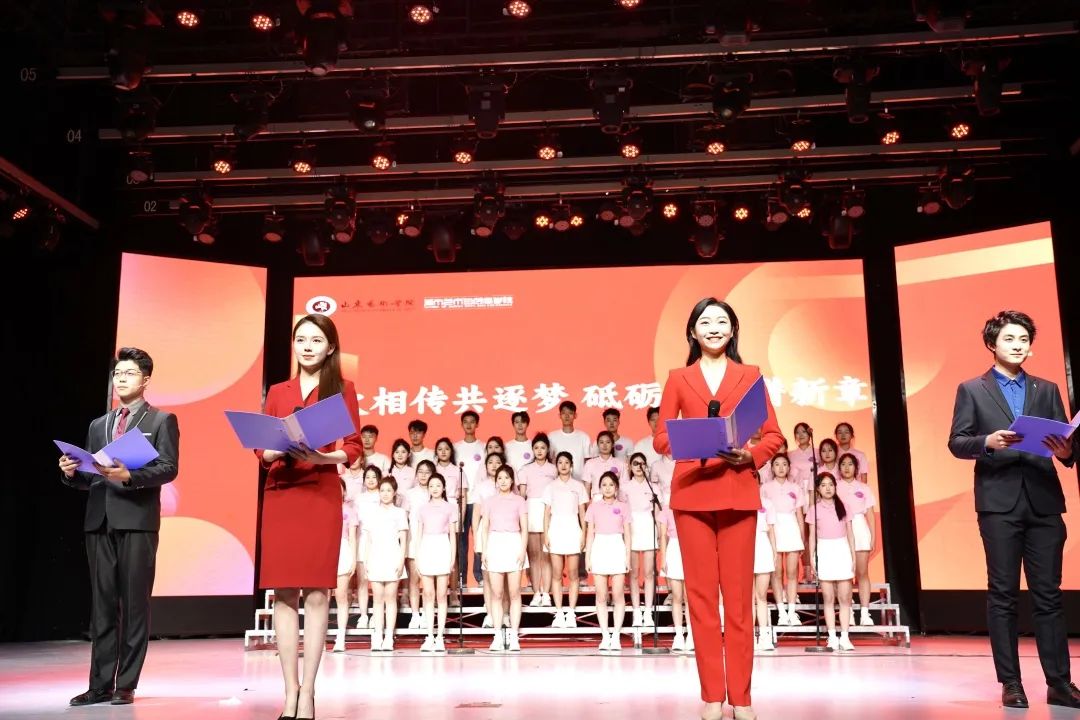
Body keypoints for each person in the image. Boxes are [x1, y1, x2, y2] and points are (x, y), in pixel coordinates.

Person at [654, 298, 784, 720]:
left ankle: (741, 698)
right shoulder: (678, 378)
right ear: (692, 331)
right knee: (701, 600)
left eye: (722, 321)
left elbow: (773, 435)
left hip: (737, 490)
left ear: (733, 330)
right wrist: (693, 440)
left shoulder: (750, 375)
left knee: (739, 600)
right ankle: (712, 695)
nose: (714, 328)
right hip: (692, 494)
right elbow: (661, 438)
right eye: (706, 322)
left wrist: (751, 456)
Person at [948, 310, 1080, 710]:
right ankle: (1011, 683)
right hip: (998, 504)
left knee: (1049, 595)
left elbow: (1066, 448)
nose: (1018, 345)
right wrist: (987, 441)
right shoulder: (972, 389)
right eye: (1009, 338)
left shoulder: (1047, 388)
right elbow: (957, 442)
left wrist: (1067, 450)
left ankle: (1060, 683)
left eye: (1023, 339)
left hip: (1043, 502)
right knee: (1003, 594)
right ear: (992, 344)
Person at [254, 315, 364, 720]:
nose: (307, 346)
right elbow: (261, 450)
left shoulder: (342, 389)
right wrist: (271, 450)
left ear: (330, 347)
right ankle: (290, 693)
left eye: (316, 340)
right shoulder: (278, 391)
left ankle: (309, 693)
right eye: (301, 339)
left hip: (319, 492)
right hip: (282, 492)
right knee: (283, 593)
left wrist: (323, 457)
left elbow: (354, 447)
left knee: (317, 593)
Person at [60, 347, 180, 708]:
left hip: (137, 521)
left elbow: (169, 468)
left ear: (146, 380)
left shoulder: (161, 420)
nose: (121, 379)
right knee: (103, 606)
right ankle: (99, 685)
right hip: (99, 520)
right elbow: (92, 477)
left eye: (129, 373)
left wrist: (130, 475)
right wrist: (72, 473)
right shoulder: (99, 424)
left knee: (134, 605)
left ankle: (126, 684)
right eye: (118, 373)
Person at [481, 466, 529, 651]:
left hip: (514, 543)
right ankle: (497, 636)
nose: (503, 481)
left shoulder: (519, 501)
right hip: (495, 544)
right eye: (500, 478)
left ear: (512, 481)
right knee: (497, 594)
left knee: (515, 593)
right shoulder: (489, 501)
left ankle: (514, 637)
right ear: (496, 481)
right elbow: (485, 527)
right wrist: (485, 550)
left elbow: (524, 528)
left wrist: (522, 550)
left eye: (506, 478)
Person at [806, 472, 856, 652]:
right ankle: (832, 637)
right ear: (818, 489)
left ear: (835, 487)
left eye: (831, 485)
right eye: (823, 485)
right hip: (824, 550)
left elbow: (850, 534)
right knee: (828, 597)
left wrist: (853, 556)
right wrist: (812, 559)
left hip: (841, 549)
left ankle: (845, 637)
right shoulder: (814, 509)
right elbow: (812, 537)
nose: (828, 488)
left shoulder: (844, 506)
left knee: (844, 597)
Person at [585, 471, 632, 652]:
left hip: (617, 547)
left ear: (616, 487)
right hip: (600, 547)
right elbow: (590, 534)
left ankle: (616, 636)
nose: (607, 488)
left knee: (618, 594)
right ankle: (605, 635)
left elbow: (628, 535)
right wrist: (588, 557)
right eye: (604, 485)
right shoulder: (593, 507)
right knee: (601, 595)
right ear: (599, 488)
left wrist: (627, 557)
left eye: (611, 485)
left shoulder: (624, 507)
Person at [542, 451, 588, 628]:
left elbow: (583, 513)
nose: (563, 465)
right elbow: (546, 514)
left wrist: (583, 534)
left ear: (571, 465)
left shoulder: (579, 486)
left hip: (573, 530)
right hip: (555, 530)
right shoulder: (550, 487)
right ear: (556, 465)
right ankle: (559, 612)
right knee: (556, 573)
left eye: (566, 462)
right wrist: (546, 534)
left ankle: (571, 612)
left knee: (574, 573)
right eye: (560, 462)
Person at [759, 454, 805, 626]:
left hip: (791, 529)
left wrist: (802, 537)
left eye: (784, 464)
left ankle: (792, 612)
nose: (780, 468)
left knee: (792, 573)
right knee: (776, 573)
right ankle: (781, 613)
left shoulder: (796, 488)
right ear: (772, 468)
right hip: (773, 529)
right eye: (777, 464)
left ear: (789, 467)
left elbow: (799, 515)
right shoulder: (765, 488)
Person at [364, 477, 408, 652]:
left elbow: (403, 541)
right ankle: (377, 635)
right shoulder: (372, 512)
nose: (385, 494)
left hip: (393, 556)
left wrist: (401, 561)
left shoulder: (400, 513)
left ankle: (389, 636)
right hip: (375, 556)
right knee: (377, 598)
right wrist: (366, 560)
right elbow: (368, 540)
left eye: (389, 490)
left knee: (390, 597)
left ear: (394, 492)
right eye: (382, 490)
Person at [417, 473, 457, 652]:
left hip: (442, 546)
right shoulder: (422, 508)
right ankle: (429, 635)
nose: (434, 488)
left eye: (438, 485)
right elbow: (419, 534)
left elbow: (453, 536)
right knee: (428, 594)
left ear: (444, 488)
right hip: (426, 546)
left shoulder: (450, 507)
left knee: (441, 595)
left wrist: (452, 558)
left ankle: (440, 636)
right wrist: (417, 556)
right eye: (431, 485)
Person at [835, 453, 876, 626]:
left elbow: (870, 515)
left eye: (850, 464)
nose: (846, 467)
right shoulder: (834, 486)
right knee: (844, 574)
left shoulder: (864, 488)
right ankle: (848, 611)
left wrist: (873, 536)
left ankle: (865, 613)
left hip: (860, 528)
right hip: (840, 528)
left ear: (856, 468)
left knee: (862, 572)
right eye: (843, 464)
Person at [518, 433, 556, 607]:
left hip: (549, 510)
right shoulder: (525, 469)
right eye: (536, 448)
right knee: (534, 555)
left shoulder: (554, 469)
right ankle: (536, 593)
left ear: (548, 449)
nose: (539, 451)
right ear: (532, 450)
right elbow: (522, 495)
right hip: (532, 509)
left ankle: (546, 593)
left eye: (543, 447)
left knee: (547, 555)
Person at [624, 452, 661, 627]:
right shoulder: (625, 487)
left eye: (642, 463)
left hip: (647, 525)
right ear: (630, 467)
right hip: (631, 527)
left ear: (646, 466)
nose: (639, 467)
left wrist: (659, 533)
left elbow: (658, 512)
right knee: (633, 573)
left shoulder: (653, 487)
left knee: (649, 572)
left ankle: (648, 611)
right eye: (635, 463)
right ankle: (636, 611)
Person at [658, 505, 690, 652]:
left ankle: (691, 635)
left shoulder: (691, 508)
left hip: (689, 549)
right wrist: (663, 558)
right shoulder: (666, 510)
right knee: (677, 596)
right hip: (674, 549)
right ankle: (678, 635)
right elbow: (663, 536)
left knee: (689, 597)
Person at [332, 480, 359, 652]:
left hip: (343, 551)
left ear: (344, 492)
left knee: (341, 596)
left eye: (340, 488)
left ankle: (340, 637)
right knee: (321, 598)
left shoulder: (349, 511)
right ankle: (318, 637)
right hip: (325, 551)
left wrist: (353, 560)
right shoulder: (324, 507)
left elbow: (353, 538)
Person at [752, 498, 777, 652]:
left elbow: (771, 530)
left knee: (761, 596)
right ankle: (749, 637)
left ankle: (764, 635)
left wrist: (774, 551)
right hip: (745, 546)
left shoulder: (767, 503)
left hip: (762, 546)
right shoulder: (739, 501)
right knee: (748, 598)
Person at [547, 401, 592, 479]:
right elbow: (549, 461)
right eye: (564, 413)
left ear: (575, 415)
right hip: (557, 481)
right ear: (559, 415)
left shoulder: (584, 437)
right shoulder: (551, 437)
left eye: (570, 413)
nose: (567, 416)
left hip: (579, 481)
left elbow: (588, 463)